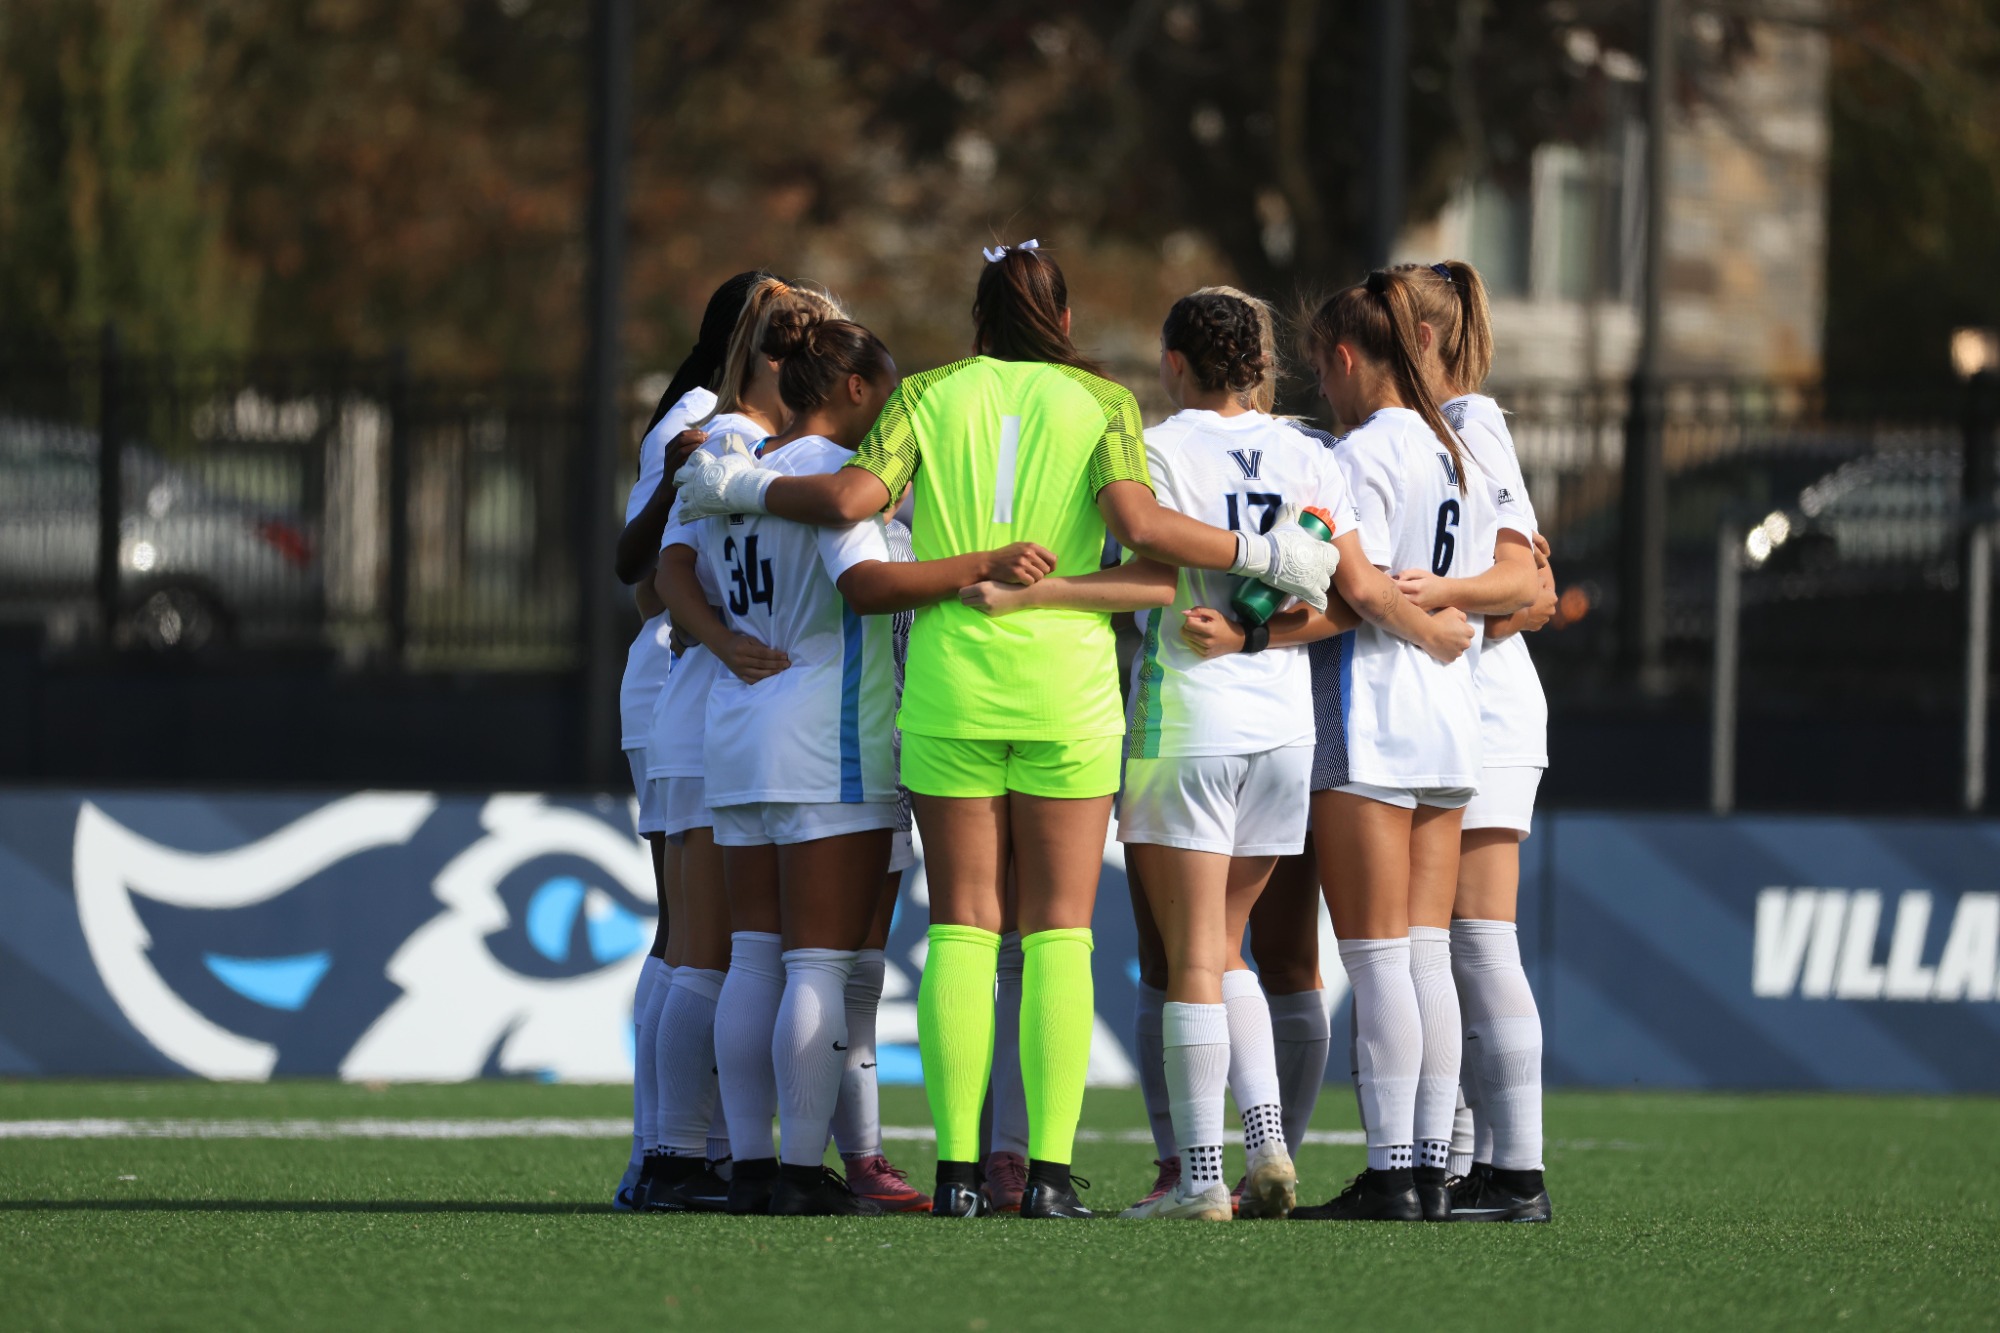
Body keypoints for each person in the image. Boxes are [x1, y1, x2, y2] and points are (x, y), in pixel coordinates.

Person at [673, 241, 1343, 1218]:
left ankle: (956, 1174)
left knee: (962, 925)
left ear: (978, 320)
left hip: (950, 686)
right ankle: (1048, 1178)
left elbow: (854, 501)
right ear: (1062, 321)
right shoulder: (1103, 402)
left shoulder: (926, 393)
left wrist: (737, 485)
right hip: (1068, 690)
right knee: (1060, 932)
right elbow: (1139, 533)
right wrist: (1260, 554)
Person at [663, 312, 1060, 1214]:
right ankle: (803, 1176)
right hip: (825, 737)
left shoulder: (735, 459)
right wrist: (981, 565)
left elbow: (675, 566)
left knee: (753, 956)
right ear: (854, 389)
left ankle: (752, 1171)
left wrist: (720, 638)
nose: (895, 416)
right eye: (888, 393)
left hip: (739, 728)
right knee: (818, 963)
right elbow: (865, 585)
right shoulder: (837, 474)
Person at [1287, 269, 1531, 1223]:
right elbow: (1502, 577)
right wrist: (1437, 625)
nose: (1323, 388)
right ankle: (1431, 1167)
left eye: (1323, 368)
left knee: (1379, 953)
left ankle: (1392, 1172)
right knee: (1426, 950)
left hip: (1374, 714)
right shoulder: (1455, 447)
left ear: (1349, 357)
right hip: (1450, 722)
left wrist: (1254, 632)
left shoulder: (1358, 453)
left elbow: (1350, 590)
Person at [640, 277, 843, 1212]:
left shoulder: (750, 445)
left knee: (707, 952)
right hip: (715, 710)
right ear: (776, 359)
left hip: (723, 708)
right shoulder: (729, 441)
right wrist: (722, 640)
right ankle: (674, 1155)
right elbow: (660, 577)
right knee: (705, 953)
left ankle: (685, 1154)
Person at [1393, 259, 1558, 1223]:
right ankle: (1467, 1164)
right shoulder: (1428, 429)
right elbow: (1530, 581)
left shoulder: (1470, 419)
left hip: (1487, 706)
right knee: (1453, 946)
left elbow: (1525, 581)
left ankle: (1516, 1170)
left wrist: (1436, 594)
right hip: (1457, 703)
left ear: (1420, 337)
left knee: (1479, 938)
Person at [610, 270, 764, 1210]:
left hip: (685, 675)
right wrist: (697, 636)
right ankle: (671, 1154)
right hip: (688, 676)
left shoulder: (706, 415)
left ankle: (666, 1155)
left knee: (691, 932)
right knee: (694, 933)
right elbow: (642, 566)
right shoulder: (706, 420)